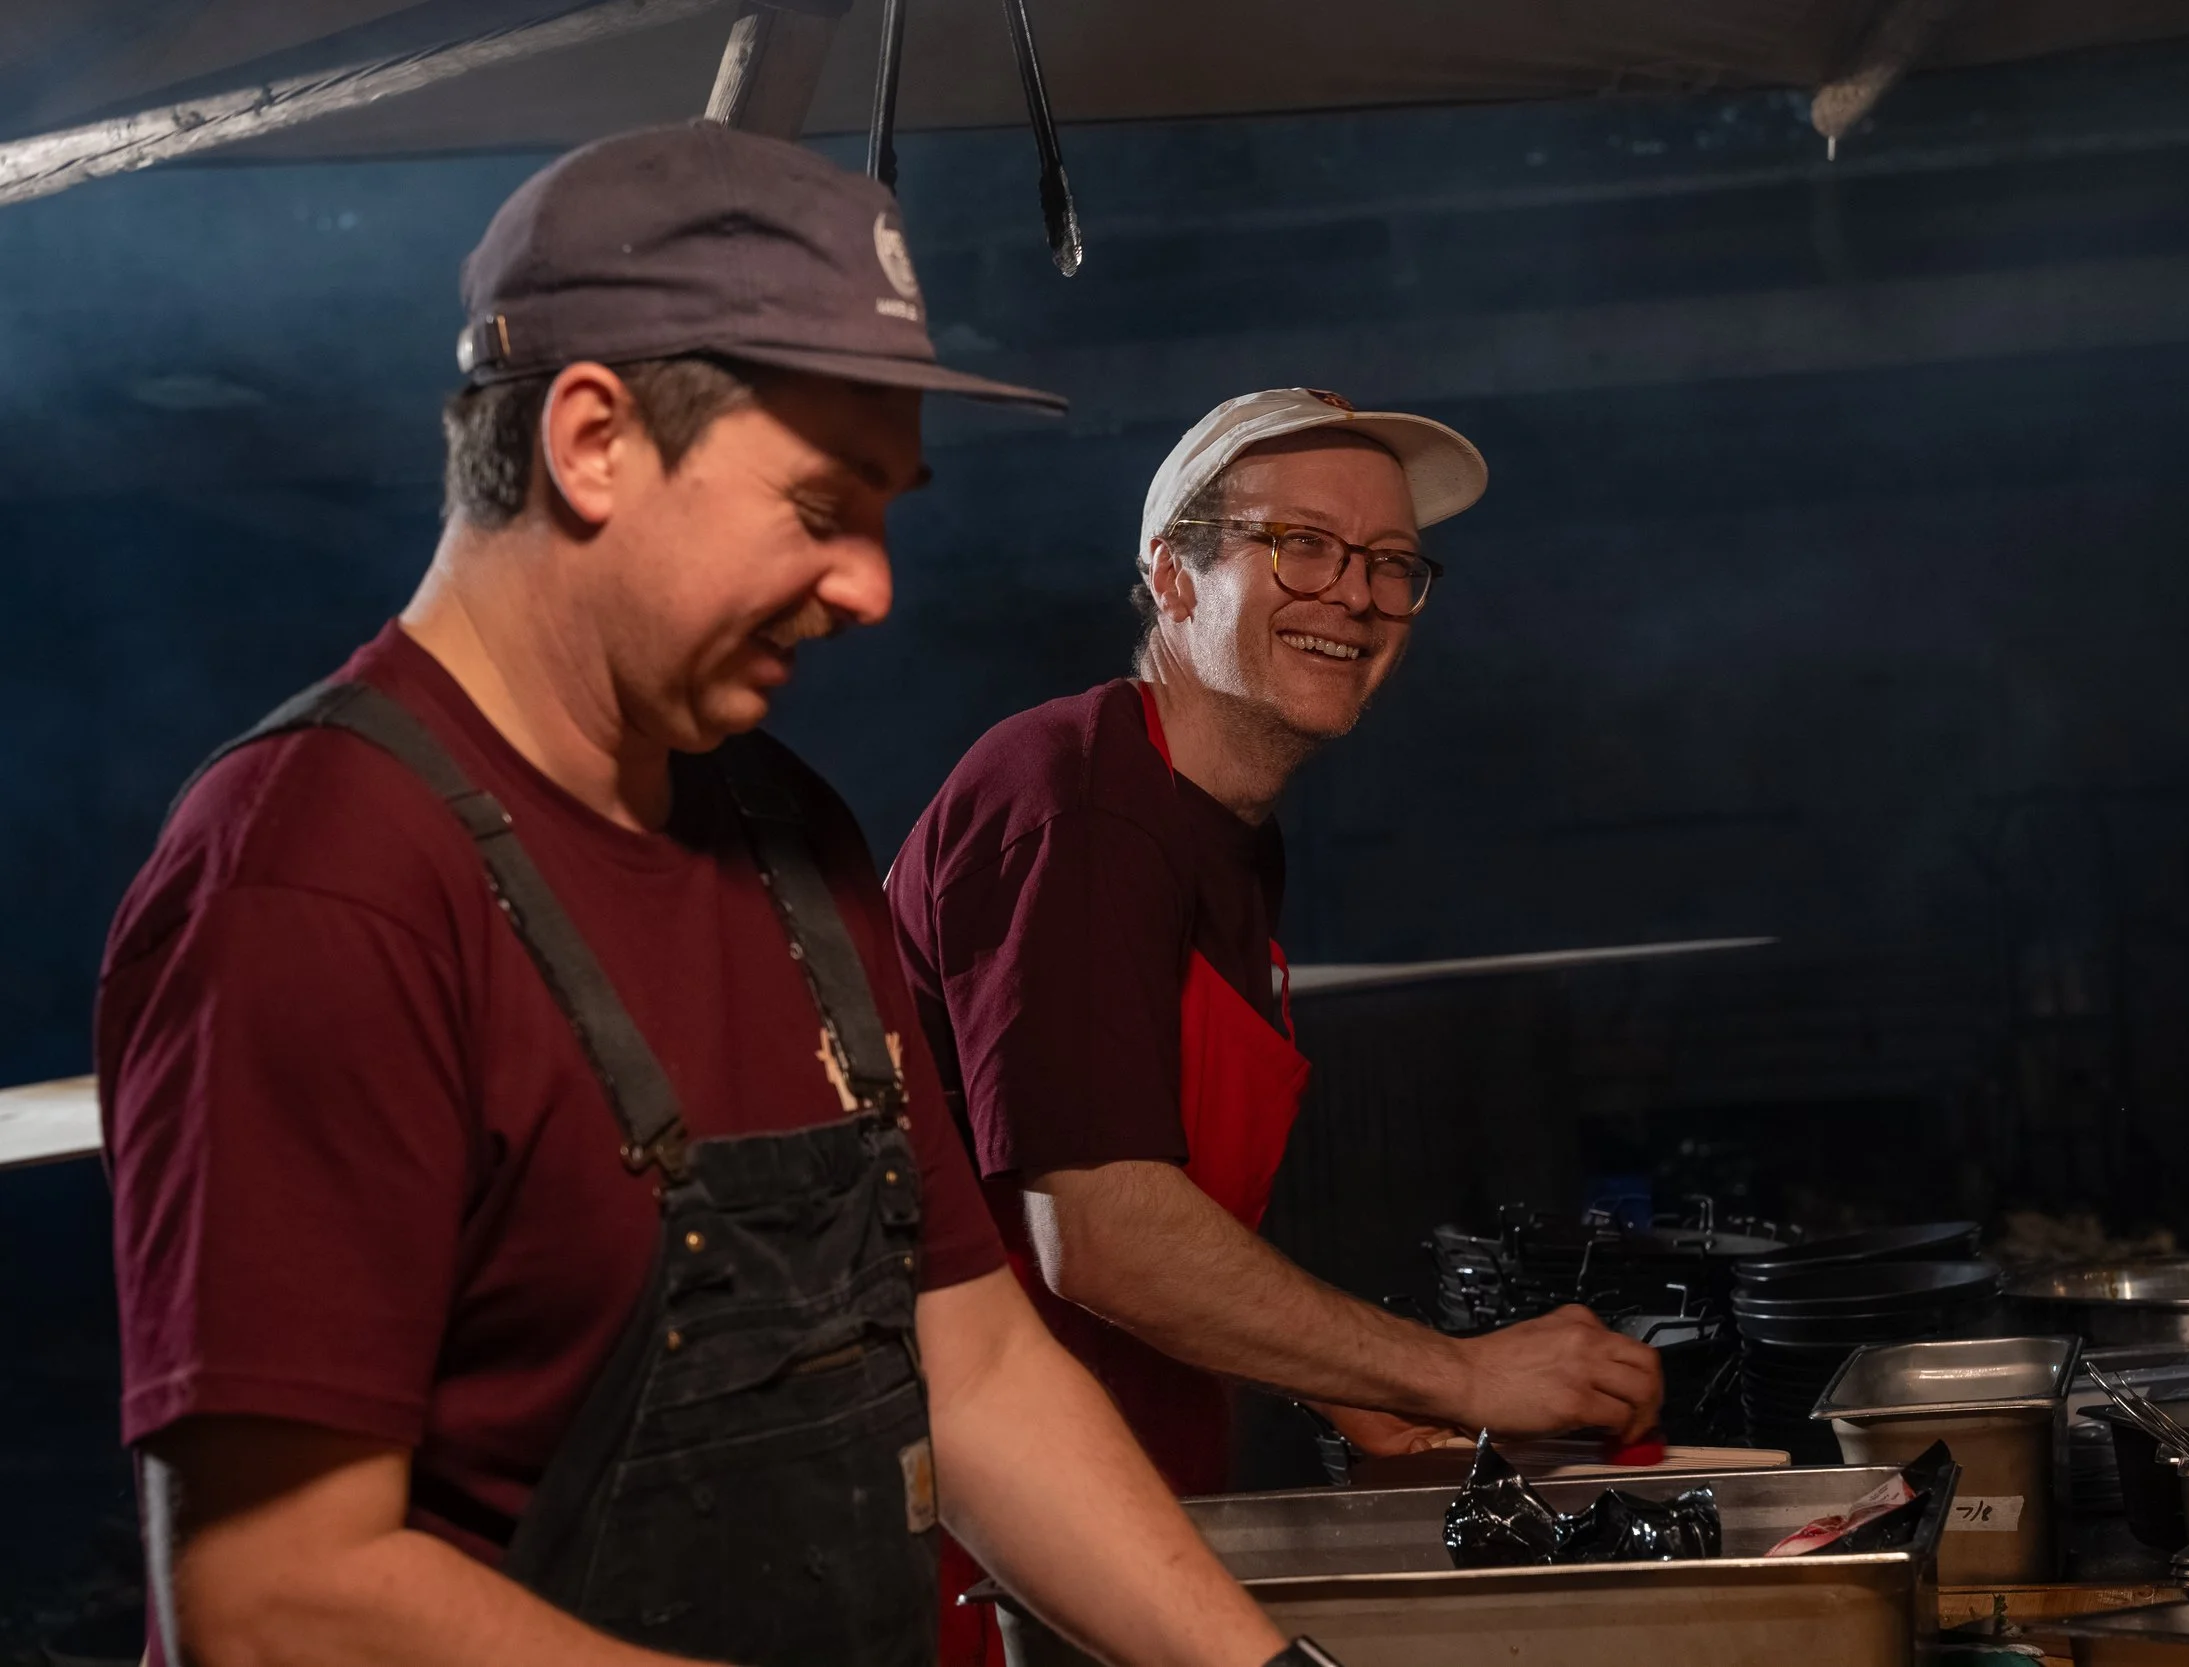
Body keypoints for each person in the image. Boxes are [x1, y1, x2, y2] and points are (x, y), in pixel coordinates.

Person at [96, 124, 1318, 1667]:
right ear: (593, 439)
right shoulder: (317, 876)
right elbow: (277, 1597)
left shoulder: (778, 824)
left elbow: (978, 1359)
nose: (874, 583)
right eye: (821, 506)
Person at [888, 389, 1668, 1646]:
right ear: (1174, 576)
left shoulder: (1225, 839)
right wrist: (1453, 1369)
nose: (1353, 594)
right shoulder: (1081, 803)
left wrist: (1351, 1390)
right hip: (978, 1545)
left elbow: (1165, 1242)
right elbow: (1097, 1231)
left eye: (1391, 563)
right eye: (1300, 544)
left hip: (1124, 1495)